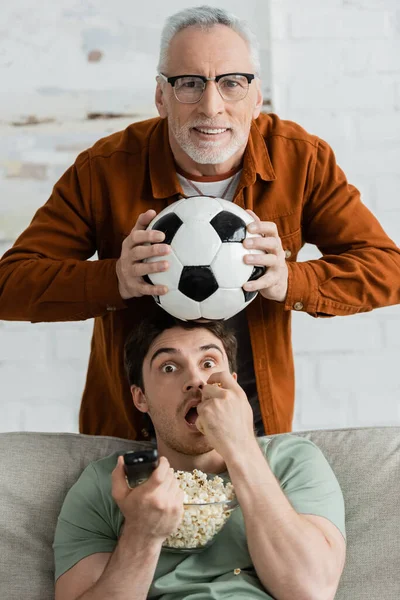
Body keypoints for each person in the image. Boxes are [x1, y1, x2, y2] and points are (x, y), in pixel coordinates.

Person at [1, 6, 400, 441]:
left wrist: (293, 281)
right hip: (132, 433)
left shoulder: (301, 160)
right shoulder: (104, 168)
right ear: (161, 96)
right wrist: (113, 277)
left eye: (231, 83)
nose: (211, 106)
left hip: (255, 429)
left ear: (256, 95)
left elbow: (387, 269)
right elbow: (10, 285)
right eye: (189, 84)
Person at [53, 312, 346, 600]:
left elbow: (311, 591)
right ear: (140, 397)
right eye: (169, 367)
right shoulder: (108, 483)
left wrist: (241, 446)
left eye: (208, 363)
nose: (195, 380)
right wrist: (142, 534)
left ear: (233, 383)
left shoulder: (293, 461)